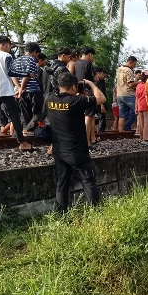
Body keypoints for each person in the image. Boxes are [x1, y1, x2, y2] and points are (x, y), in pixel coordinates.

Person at [45, 72, 105, 212]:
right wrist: (90, 83)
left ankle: (61, 214)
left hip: (59, 151)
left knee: (62, 183)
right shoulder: (76, 101)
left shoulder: (49, 98)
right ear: (73, 87)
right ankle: (95, 213)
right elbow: (101, 98)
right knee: (88, 181)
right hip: (77, 151)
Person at [0, 35, 33, 153]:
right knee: (15, 116)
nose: (10, 48)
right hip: (5, 90)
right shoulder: (6, 56)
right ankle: (22, 143)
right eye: (9, 46)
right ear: (5, 45)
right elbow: (12, 73)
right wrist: (19, 88)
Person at [11, 42, 43, 131]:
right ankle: (28, 130)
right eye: (37, 54)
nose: (37, 57)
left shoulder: (16, 60)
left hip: (22, 91)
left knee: (25, 114)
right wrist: (22, 88)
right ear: (35, 52)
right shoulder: (31, 59)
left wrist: (19, 87)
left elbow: (13, 76)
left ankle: (26, 133)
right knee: (39, 112)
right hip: (33, 90)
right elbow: (28, 74)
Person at [74, 47, 97, 146]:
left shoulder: (75, 63)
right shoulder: (89, 63)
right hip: (88, 91)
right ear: (90, 54)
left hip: (78, 91)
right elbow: (95, 78)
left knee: (89, 116)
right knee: (89, 116)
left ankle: (92, 138)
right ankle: (87, 141)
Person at [116, 56, 140, 132]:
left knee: (122, 115)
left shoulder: (119, 69)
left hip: (119, 94)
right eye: (134, 64)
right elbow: (130, 84)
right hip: (128, 94)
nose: (134, 66)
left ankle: (121, 132)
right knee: (138, 111)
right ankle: (139, 131)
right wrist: (140, 83)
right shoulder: (128, 70)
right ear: (130, 62)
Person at [135, 70, 148, 142]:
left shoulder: (138, 85)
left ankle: (142, 137)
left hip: (140, 105)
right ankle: (147, 138)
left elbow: (136, 97)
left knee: (141, 122)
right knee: (147, 122)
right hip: (147, 105)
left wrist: (136, 107)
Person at [93, 67, 108, 133]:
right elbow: (100, 93)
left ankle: (97, 132)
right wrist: (102, 105)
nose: (104, 76)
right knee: (102, 117)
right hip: (99, 102)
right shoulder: (98, 82)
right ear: (98, 73)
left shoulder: (99, 81)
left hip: (95, 101)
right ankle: (100, 133)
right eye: (102, 74)